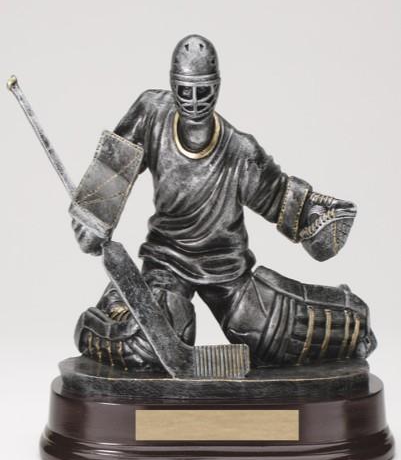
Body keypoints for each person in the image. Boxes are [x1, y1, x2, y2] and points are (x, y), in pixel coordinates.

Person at [72, 35, 376, 371]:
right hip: (166, 264)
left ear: (216, 87)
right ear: (173, 85)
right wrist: (92, 214)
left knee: (273, 339)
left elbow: (277, 195)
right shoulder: (151, 113)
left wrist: (317, 217)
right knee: (154, 341)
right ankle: (111, 312)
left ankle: (348, 313)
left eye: (202, 91)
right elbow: (114, 165)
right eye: (185, 90)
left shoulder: (241, 152)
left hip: (227, 271)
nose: (194, 101)